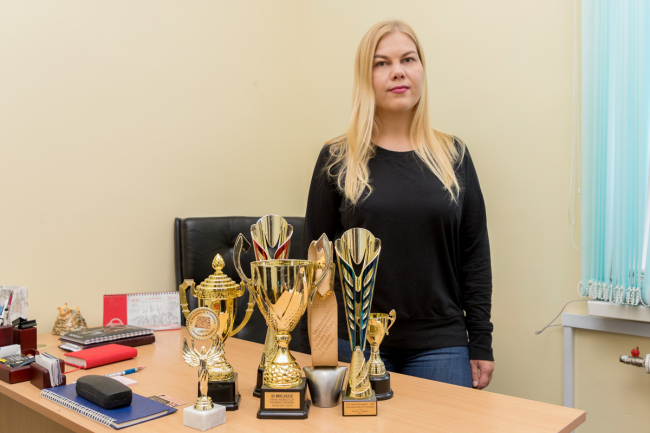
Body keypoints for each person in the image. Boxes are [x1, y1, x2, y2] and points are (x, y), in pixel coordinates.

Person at [299, 20, 494, 389]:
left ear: (421, 69)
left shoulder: (454, 155)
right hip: (353, 340)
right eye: (382, 63)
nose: (398, 71)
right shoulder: (336, 158)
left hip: (441, 342)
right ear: (366, 77)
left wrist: (481, 339)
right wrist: (312, 343)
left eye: (408, 59)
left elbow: (474, 256)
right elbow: (315, 262)